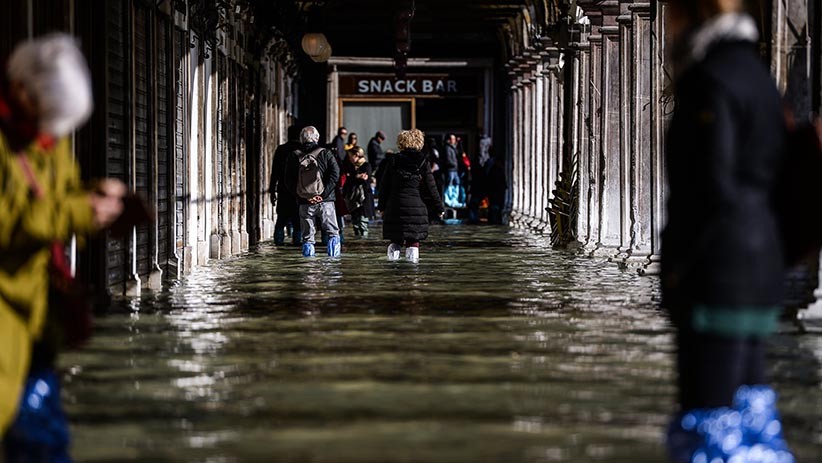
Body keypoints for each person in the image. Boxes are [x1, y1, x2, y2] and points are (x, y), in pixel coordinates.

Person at [661, 2, 795, 462]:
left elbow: (709, 188)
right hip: (762, 269)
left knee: (709, 418)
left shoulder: (709, 79)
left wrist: (678, 270)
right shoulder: (760, 78)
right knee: (753, 415)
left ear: (688, 16)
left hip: (716, 271)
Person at [0, 34, 126, 459]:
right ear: (20, 89)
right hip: (5, 314)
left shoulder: (47, 135)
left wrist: (95, 199)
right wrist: (73, 213)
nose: (52, 134)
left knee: (45, 442)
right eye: (48, 117)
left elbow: (55, 194)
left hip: (36, 314)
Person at [378, 129, 444, 262]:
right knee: (413, 241)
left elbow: (384, 186)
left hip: (395, 206)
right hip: (416, 206)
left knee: (395, 240)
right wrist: (439, 208)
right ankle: (412, 273)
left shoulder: (393, 161)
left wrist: (381, 207)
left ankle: (391, 269)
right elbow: (432, 188)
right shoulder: (423, 162)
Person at [286, 126, 341, 257]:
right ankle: (333, 265)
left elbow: (288, 180)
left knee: (307, 238)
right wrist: (322, 195)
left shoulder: (293, 155)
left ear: (301, 139)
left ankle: (308, 266)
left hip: (304, 203)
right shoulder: (326, 153)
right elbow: (335, 174)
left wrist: (302, 196)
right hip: (325, 202)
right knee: (333, 233)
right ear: (317, 138)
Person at [270, 124, 302, 246]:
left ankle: (278, 244)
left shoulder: (281, 149)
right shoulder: (303, 150)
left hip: (283, 190)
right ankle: (297, 246)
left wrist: (272, 191)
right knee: (298, 221)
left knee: (281, 219)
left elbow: (275, 173)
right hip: (300, 191)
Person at [342, 146, 374, 238]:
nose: (349, 158)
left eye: (351, 156)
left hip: (364, 198)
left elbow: (365, 179)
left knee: (363, 223)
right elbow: (349, 180)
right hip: (353, 198)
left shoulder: (366, 165)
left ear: (356, 155)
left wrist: (354, 177)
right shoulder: (351, 167)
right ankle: (358, 242)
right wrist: (356, 177)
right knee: (355, 223)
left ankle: (363, 244)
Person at [441, 133, 462, 208]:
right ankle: (448, 201)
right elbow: (448, 159)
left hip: (455, 170)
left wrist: (459, 144)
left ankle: (454, 200)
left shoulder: (453, 148)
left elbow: (459, 154)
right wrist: (454, 164)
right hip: (450, 170)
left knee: (456, 184)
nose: (454, 140)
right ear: (449, 140)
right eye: (453, 139)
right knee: (449, 185)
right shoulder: (447, 148)